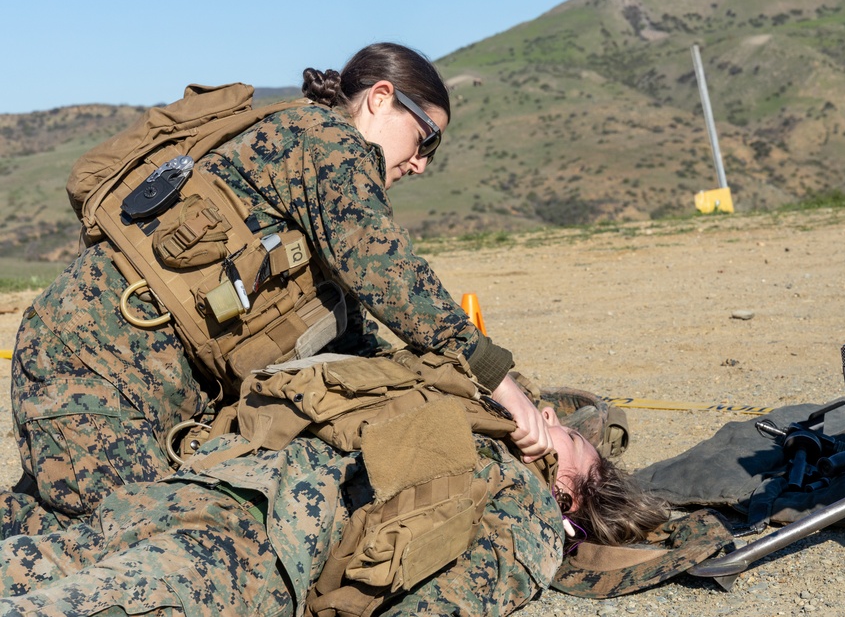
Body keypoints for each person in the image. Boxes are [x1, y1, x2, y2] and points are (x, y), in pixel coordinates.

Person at [8, 42, 555, 533]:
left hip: (132, 376)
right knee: (123, 535)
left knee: (57, 523)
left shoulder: (320, 191)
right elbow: (390, 274)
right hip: (93, 363)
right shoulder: (324, 141)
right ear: (381, 98)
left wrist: (469, 394)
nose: (420, 163)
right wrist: (494, 375)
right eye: (424, 138)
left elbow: (354, 348)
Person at [0, 379, 668, 617]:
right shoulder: (458, 403)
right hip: (203, 512)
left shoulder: (528, 510)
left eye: (565, 433)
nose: (548, 413)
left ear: (569, 495)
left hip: (230, 549)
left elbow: (456, 600)